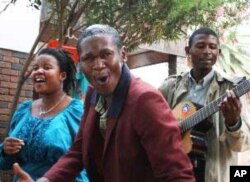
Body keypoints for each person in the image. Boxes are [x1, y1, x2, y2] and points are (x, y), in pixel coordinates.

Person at [13, 24, 195, 182]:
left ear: (123, 55)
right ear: (80, 64)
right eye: (89, 58)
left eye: (106, 54)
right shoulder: (93, 93)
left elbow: (176, 174)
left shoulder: (145, 100)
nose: (98, 65)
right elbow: (78, 152)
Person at [159, 27, 250, 182]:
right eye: (201, 46)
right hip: (175, 172)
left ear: (218, 53)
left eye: (213, 47)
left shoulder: (231, 89)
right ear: (188, 50)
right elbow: (151, 122)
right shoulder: (171, 86)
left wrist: (233, 123)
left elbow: (242, 146)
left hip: (213, 176)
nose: (207, 51)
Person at [0, 48, 88, 182]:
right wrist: (6, 151)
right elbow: (5, 163)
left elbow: (84, 159)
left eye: (47, 67)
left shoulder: (77, 112)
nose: (39, 71)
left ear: (62, 75)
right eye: (35, 68)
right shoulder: (23, 110)